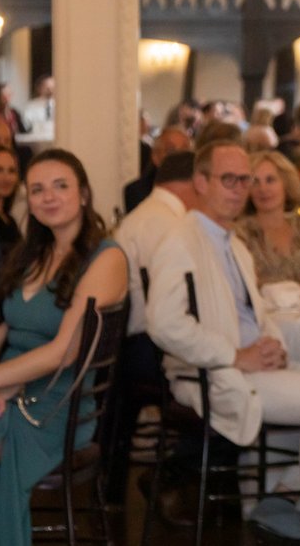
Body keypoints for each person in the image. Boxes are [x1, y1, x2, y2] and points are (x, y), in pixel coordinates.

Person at [146, 141, 300, 546]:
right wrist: (234, 355)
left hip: (250, 363)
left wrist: (273, 343)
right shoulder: (180, 240)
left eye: (243, 180)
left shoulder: (232, 243)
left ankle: (283, 493)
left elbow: (258, 311)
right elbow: (163, 324)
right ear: (201, 181)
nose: (238, 189)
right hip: (211, 374)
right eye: (227, 179)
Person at [0, 148, 129, 546]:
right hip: (2, 396)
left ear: (83, 194)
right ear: (27, 200)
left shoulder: (107, 258)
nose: (48, 197)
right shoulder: (28, 256)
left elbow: (63, 352)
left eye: (60, 186)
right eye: (37, 189)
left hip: (50, 411)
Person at [106, 149, 196, 502]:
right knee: (225, 377)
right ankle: (179, 474)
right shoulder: (171, 225)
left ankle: (183, 473)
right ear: (193, 183)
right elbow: (179, 307)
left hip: (129, 345)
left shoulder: (146, 214)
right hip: (148, 348)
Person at [238, 150, 300, 292]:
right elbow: (250, 287)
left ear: (286, 184)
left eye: (270, 180)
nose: (263, 189)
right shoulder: (240, 235)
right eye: (255, 182)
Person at [123, 126, 192, 214]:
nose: (179, 157)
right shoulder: (137, 191)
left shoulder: (199, 190)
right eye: (171, 151)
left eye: (185, 151)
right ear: (155, 157)